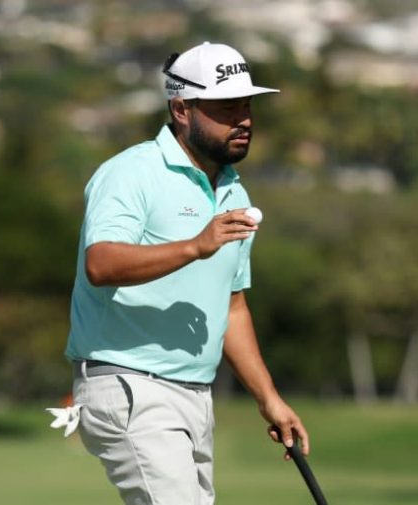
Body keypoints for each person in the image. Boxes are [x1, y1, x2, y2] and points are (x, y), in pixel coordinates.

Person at [56, 41, 309, 505]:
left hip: (194, 395)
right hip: (130, 384)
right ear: (181, 109)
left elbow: (231, 307)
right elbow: (101, 263)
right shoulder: (131, 172)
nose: (244, 119)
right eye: (226, 107)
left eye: (247, 105)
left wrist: (268, 398)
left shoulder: (233, 191)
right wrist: (195, 245)